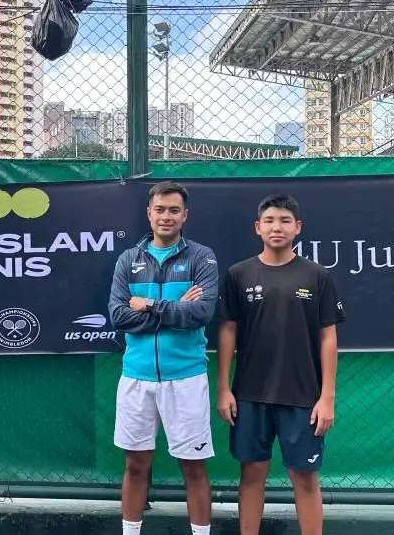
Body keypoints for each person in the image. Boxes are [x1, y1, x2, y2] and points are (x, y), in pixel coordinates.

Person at [216, 194, 344, 535]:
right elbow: (227, 331)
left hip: (303, 396)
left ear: (297, 228)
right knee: (252, 474)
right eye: (270, 220)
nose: (277, 227)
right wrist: (224, 388)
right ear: (258, 227)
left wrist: (327, 396)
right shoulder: (238, 274)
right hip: (249, 395)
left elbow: (328, 338)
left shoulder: (317, 275)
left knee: (304, 477)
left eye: (285, 221)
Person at [109, 181, 219, 535]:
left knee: (193, 467)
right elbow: (119, 316)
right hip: (137, 376)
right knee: (136, 465)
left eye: (174, 210)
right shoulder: (128, 260)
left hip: (185, 377)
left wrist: (151, 305)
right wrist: (175, 308)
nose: (166, 217)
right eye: (160, 209)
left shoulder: (202, 257)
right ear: (149, 214)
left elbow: (200, 314)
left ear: (185, 215)